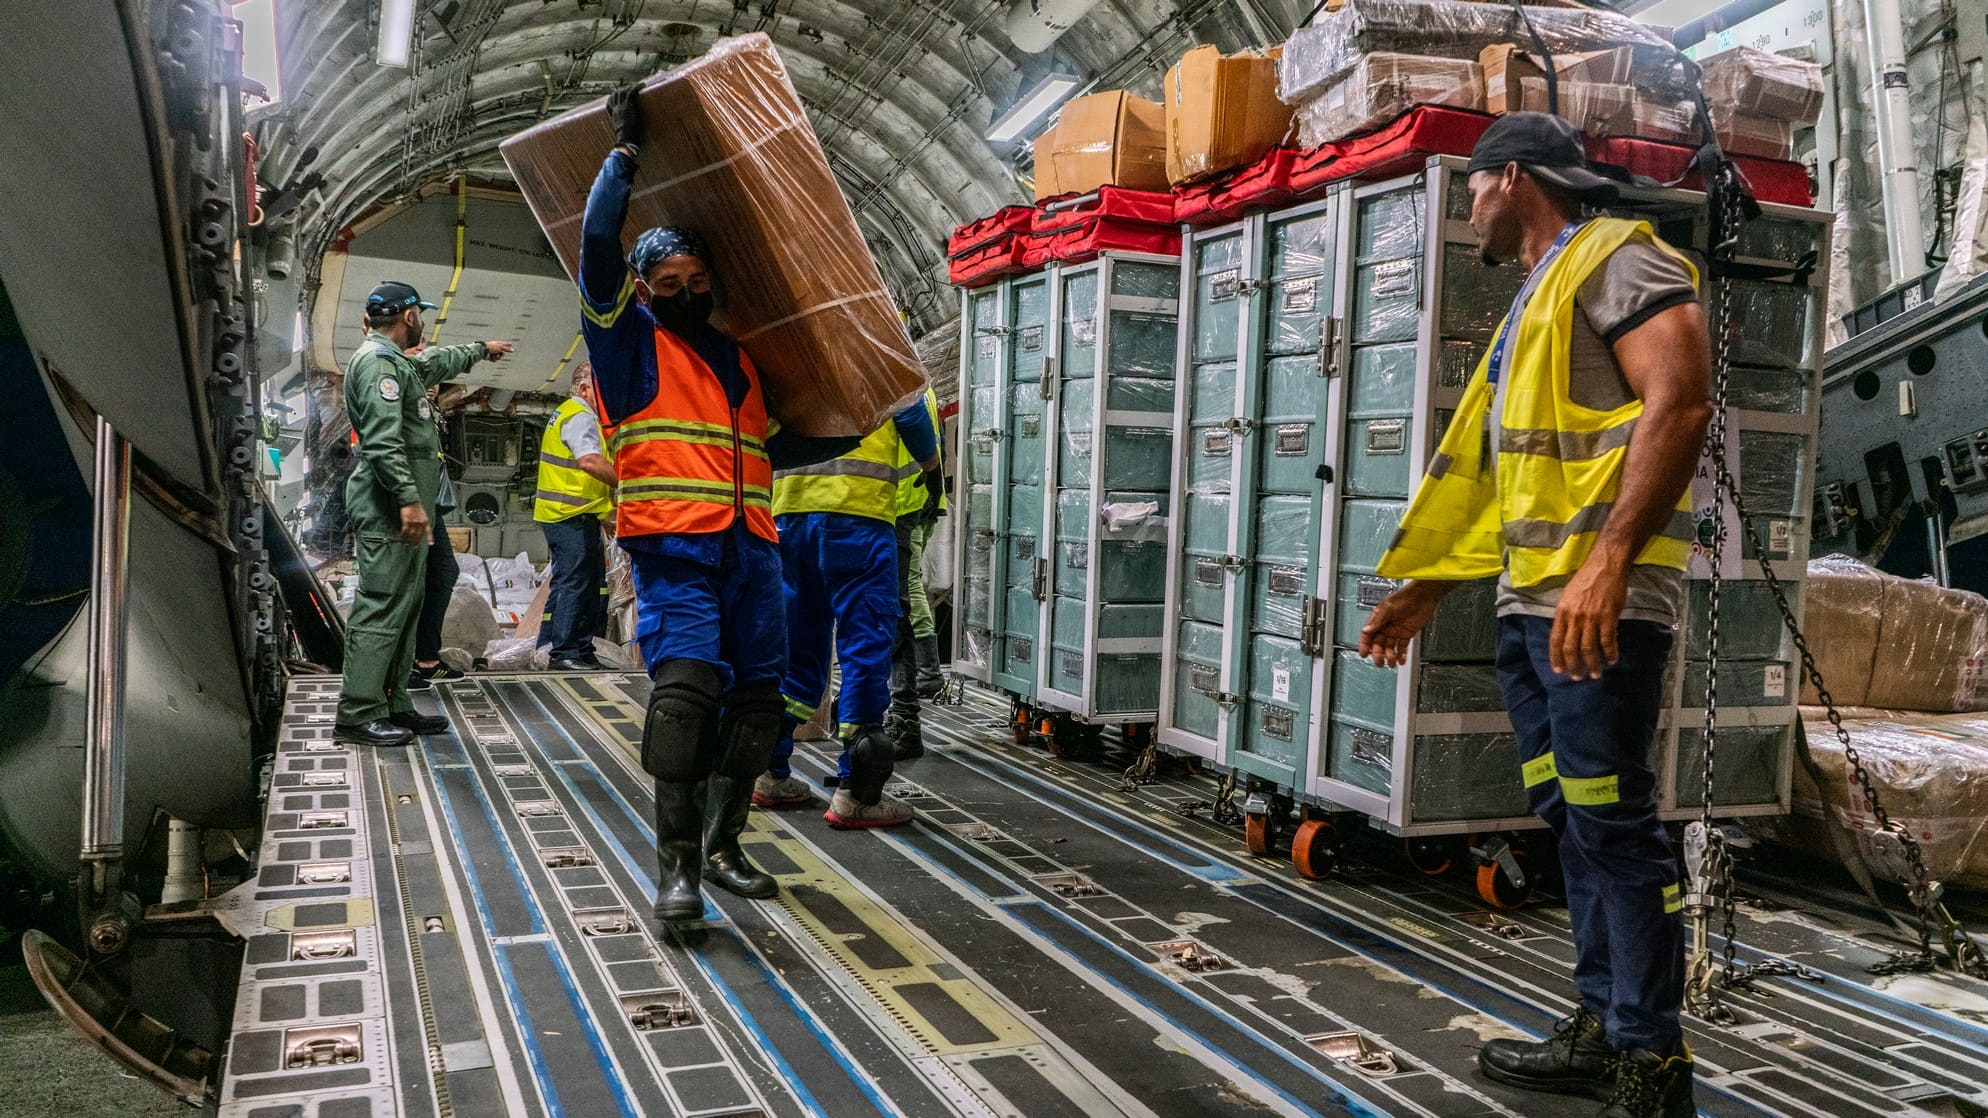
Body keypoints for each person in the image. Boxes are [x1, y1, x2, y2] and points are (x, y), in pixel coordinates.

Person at [1358, 113, 1710, 1118]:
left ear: (1509, 178)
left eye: (1470, 186)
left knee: (1611, 821)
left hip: (1595, 603)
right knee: (1570, 817)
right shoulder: (1535, 293)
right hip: (1534, 603)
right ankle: (1603, 1021)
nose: (1466, 203)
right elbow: (1498, 468)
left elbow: (1677, 401)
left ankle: (1651, 1060)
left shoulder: (1615, 258)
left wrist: (1607, 561)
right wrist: (1429, 585)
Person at [579, 87, 857, 921]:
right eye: (669, 280)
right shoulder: (629, 346)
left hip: (752, 554)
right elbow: (597, 245)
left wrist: (854, 419)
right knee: (688, 696)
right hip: (675, 553)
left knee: (756, 707)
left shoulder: (739, 362)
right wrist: (621, 158)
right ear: (645, 287)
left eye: (698, 278)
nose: (686, 289)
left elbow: (766, 450)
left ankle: (726, 845)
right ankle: (677, 870)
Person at [334, 282, 512, 746]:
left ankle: (393, 703)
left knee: (407, 608)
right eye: (422, 314)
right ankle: (357, 714)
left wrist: (480, 350)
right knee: (381, 608)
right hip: (392, 510)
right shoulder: (377, 366)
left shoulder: (396, 363)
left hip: (408, 510)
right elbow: (382, 440)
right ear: (410, 316)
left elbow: (434, 362)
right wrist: (411, 501)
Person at [754, 396, 940, 827]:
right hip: (858, 515)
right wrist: (933, 474)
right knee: (864, 647)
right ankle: (856, 793)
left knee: (795, 651)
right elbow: (909, 410)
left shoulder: (788, 336)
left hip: (788, 515)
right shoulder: (877, 337)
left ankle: (769, 772)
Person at [533, 362, 617, 670]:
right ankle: (565, 652)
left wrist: (605, 512)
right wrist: (633, 484)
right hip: (567, 515)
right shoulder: (580, 415)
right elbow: (590, 463)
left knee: (588, 582)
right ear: (584, 389)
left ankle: (581, 648)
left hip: (577, 514)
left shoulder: (574, 413)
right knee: (576, 582)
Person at [883, 387, 946, 760]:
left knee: (901, 598)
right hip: (904, 500)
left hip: (897, 502)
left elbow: (916, 428)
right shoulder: (920, 379)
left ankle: (919, 685)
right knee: (898, 598)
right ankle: (903, 695)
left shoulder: (902, 373)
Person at [409, 384, 465, 691]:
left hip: (427, 503)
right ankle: (401, 667)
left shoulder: (426, 411)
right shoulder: (400, 405)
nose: (432, 384)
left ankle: (426, 660)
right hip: (408, 503)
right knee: (405, 584)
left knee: (444, 571)